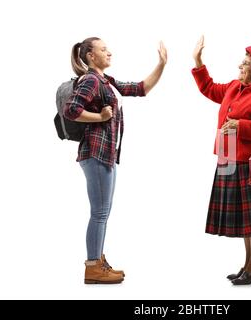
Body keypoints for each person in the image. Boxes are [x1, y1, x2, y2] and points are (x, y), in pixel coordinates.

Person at [63, 37, 167, 284]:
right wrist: (99, 116)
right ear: (90, 55)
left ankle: (97, 261)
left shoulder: (105, 81)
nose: (109, 52)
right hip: (96, 153)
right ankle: (92, 267)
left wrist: (161, 64)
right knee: (99, 213)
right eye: (103, 49)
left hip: (105, 154)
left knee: (102, 212)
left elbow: (139, 88)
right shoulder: (90, 79)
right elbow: (72, 109)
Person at [191, 36, 251, 285]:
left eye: (244, 64)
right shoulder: (233, 87)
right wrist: (198, 61)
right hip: (228, 158)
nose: (239, 67)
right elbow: (209, 88)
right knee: (246, 220)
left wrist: (240, 126)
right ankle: (250, 266)